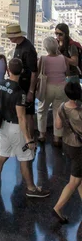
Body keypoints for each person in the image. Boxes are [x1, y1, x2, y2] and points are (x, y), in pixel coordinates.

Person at [0, 58, 49, 198]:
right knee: (25, 159)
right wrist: (29, 140)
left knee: (2, 156)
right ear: (21, 71)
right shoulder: (20, 92)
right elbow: (21, 117)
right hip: (15, 128)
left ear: (8, 69)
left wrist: (5, 107)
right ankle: (31, 189)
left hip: (3, 127)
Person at [52, 82, 82, 224]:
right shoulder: (80, 111)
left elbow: (58, 126)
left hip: (67, 145)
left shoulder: (62, 107)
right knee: (74, 181)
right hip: (79, 148)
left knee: (79, 176)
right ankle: (58, 208)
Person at [6, 23, 38, 141]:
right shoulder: (20, 46)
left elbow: (34, 72)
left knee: (28, 114)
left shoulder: (28, 49)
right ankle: (26, 137)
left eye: (10, 36)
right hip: (21, 85)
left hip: (26, 86)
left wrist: (31, 91)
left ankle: (30, 138)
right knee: (23, 113)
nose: (9, 38)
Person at [37, 37, 68, 146]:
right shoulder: (63, 58)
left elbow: (38, 72)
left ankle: (42, 135)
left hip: (47, 87)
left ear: (46, 47)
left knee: (42, 111)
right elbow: (66, 71)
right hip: (61, 87)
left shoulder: (43, 58)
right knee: (58, 112)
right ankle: (56, 138)